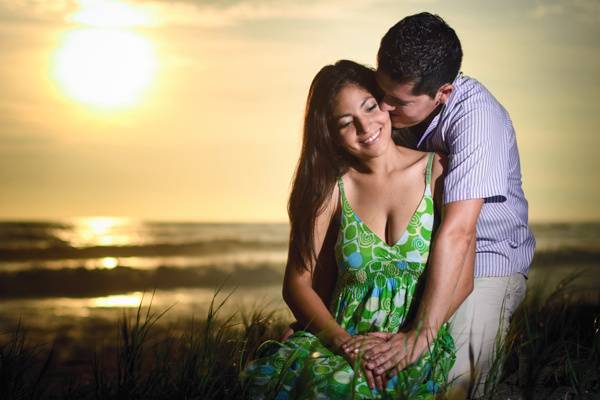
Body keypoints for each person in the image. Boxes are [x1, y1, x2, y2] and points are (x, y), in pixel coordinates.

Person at [241, 60, 459, 399]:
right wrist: (343, 342)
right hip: (343, 342)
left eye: (370, 107)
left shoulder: (438, 171)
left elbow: (464, 269)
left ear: (385, 103)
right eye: (346, 123)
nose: (365, 126)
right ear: (331, 134)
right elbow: (297, 284)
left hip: (414, 343)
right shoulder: (332, 188)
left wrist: (416, 337)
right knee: (284, 379)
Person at [366, 12, 536, 398]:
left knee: (453, 383)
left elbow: (460, 232)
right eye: (382, 92)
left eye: (400, 102)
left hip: (486, 258)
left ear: (442, 93)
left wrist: (421, 335)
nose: (384, 110)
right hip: (420, 255)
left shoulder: (478, 121)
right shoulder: (392, 97)